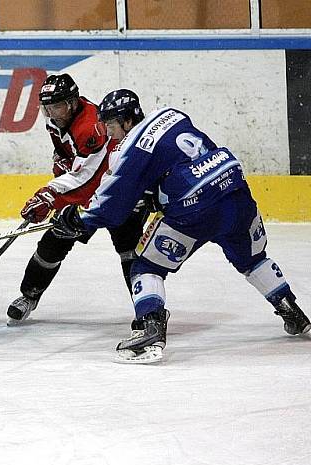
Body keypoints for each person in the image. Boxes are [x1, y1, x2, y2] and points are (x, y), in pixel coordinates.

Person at [52, 88, 311, 363]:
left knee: (145, 266)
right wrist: (155, 195)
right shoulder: (171, 114)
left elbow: (111, 206)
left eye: (112, 125)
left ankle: (151, 329)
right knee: (253, 259)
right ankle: (290, 310)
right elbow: (178, 159)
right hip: (236, 193)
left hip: (195, 208)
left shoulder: (129, 149)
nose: (109, 132)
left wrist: (79, 218)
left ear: (127, 120)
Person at [7, 74, 150, 325]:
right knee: (53, 243)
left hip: (119, 191)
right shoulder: (56, 121)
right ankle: (28, 296)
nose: (52, 112)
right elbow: (67, 156)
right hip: (90, 188)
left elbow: (86, 179)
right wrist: (60, 168)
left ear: (72, 103)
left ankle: (147, 311)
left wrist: (50, 195)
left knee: (130, 252)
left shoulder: (90, 127)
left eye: (57, 106)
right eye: (47, 107)